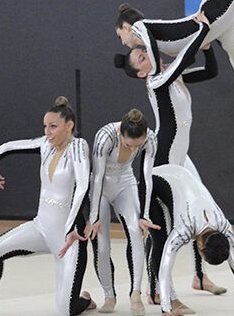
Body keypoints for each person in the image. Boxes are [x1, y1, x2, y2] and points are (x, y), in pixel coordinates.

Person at [114, 35, 225, 303]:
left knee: (203, 214)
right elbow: (185, 56)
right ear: (142, 73)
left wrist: (208, 48)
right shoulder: (157, 81)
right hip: (164, 158)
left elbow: (210, 71)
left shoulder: (174, 74)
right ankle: (154, 287)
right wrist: (202, 33)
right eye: (142, 57)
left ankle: (199, 276)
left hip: (181, 156)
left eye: (145, 52)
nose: (148, 56)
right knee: (161, 226)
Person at [0, 97, 96, 316]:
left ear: (69, 125)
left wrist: (71, 227)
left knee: (64, 311)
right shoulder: (44, 145)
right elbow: (9, 146)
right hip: (41, 228)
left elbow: (82, 187)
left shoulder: (78, 147)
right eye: (45, 126)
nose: (48, 131)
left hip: (69, 240)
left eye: (53, 126)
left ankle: (85, 300)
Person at [148, 164, 234, 316]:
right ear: (201, 244)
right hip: (152, 181)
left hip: (179, 180)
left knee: (165, 233)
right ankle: (163, 298)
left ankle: (159, 294)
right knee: (160, 241)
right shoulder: (184, 228)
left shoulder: (225, 228)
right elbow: (165, 266)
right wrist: (166, 310)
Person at [85, 109, 159, 315]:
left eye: (138, 145)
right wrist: (94, 217)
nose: (133, 148)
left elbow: (146, 176)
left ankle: (136, 294)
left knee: (136, 234)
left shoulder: (150, 138)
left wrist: (144, 214)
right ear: (121, 135)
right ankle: (109, 295)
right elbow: (98, 177)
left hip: (126, 182)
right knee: (102, 245)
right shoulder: (105, 136)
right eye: (128, 144)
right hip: (101, 187)